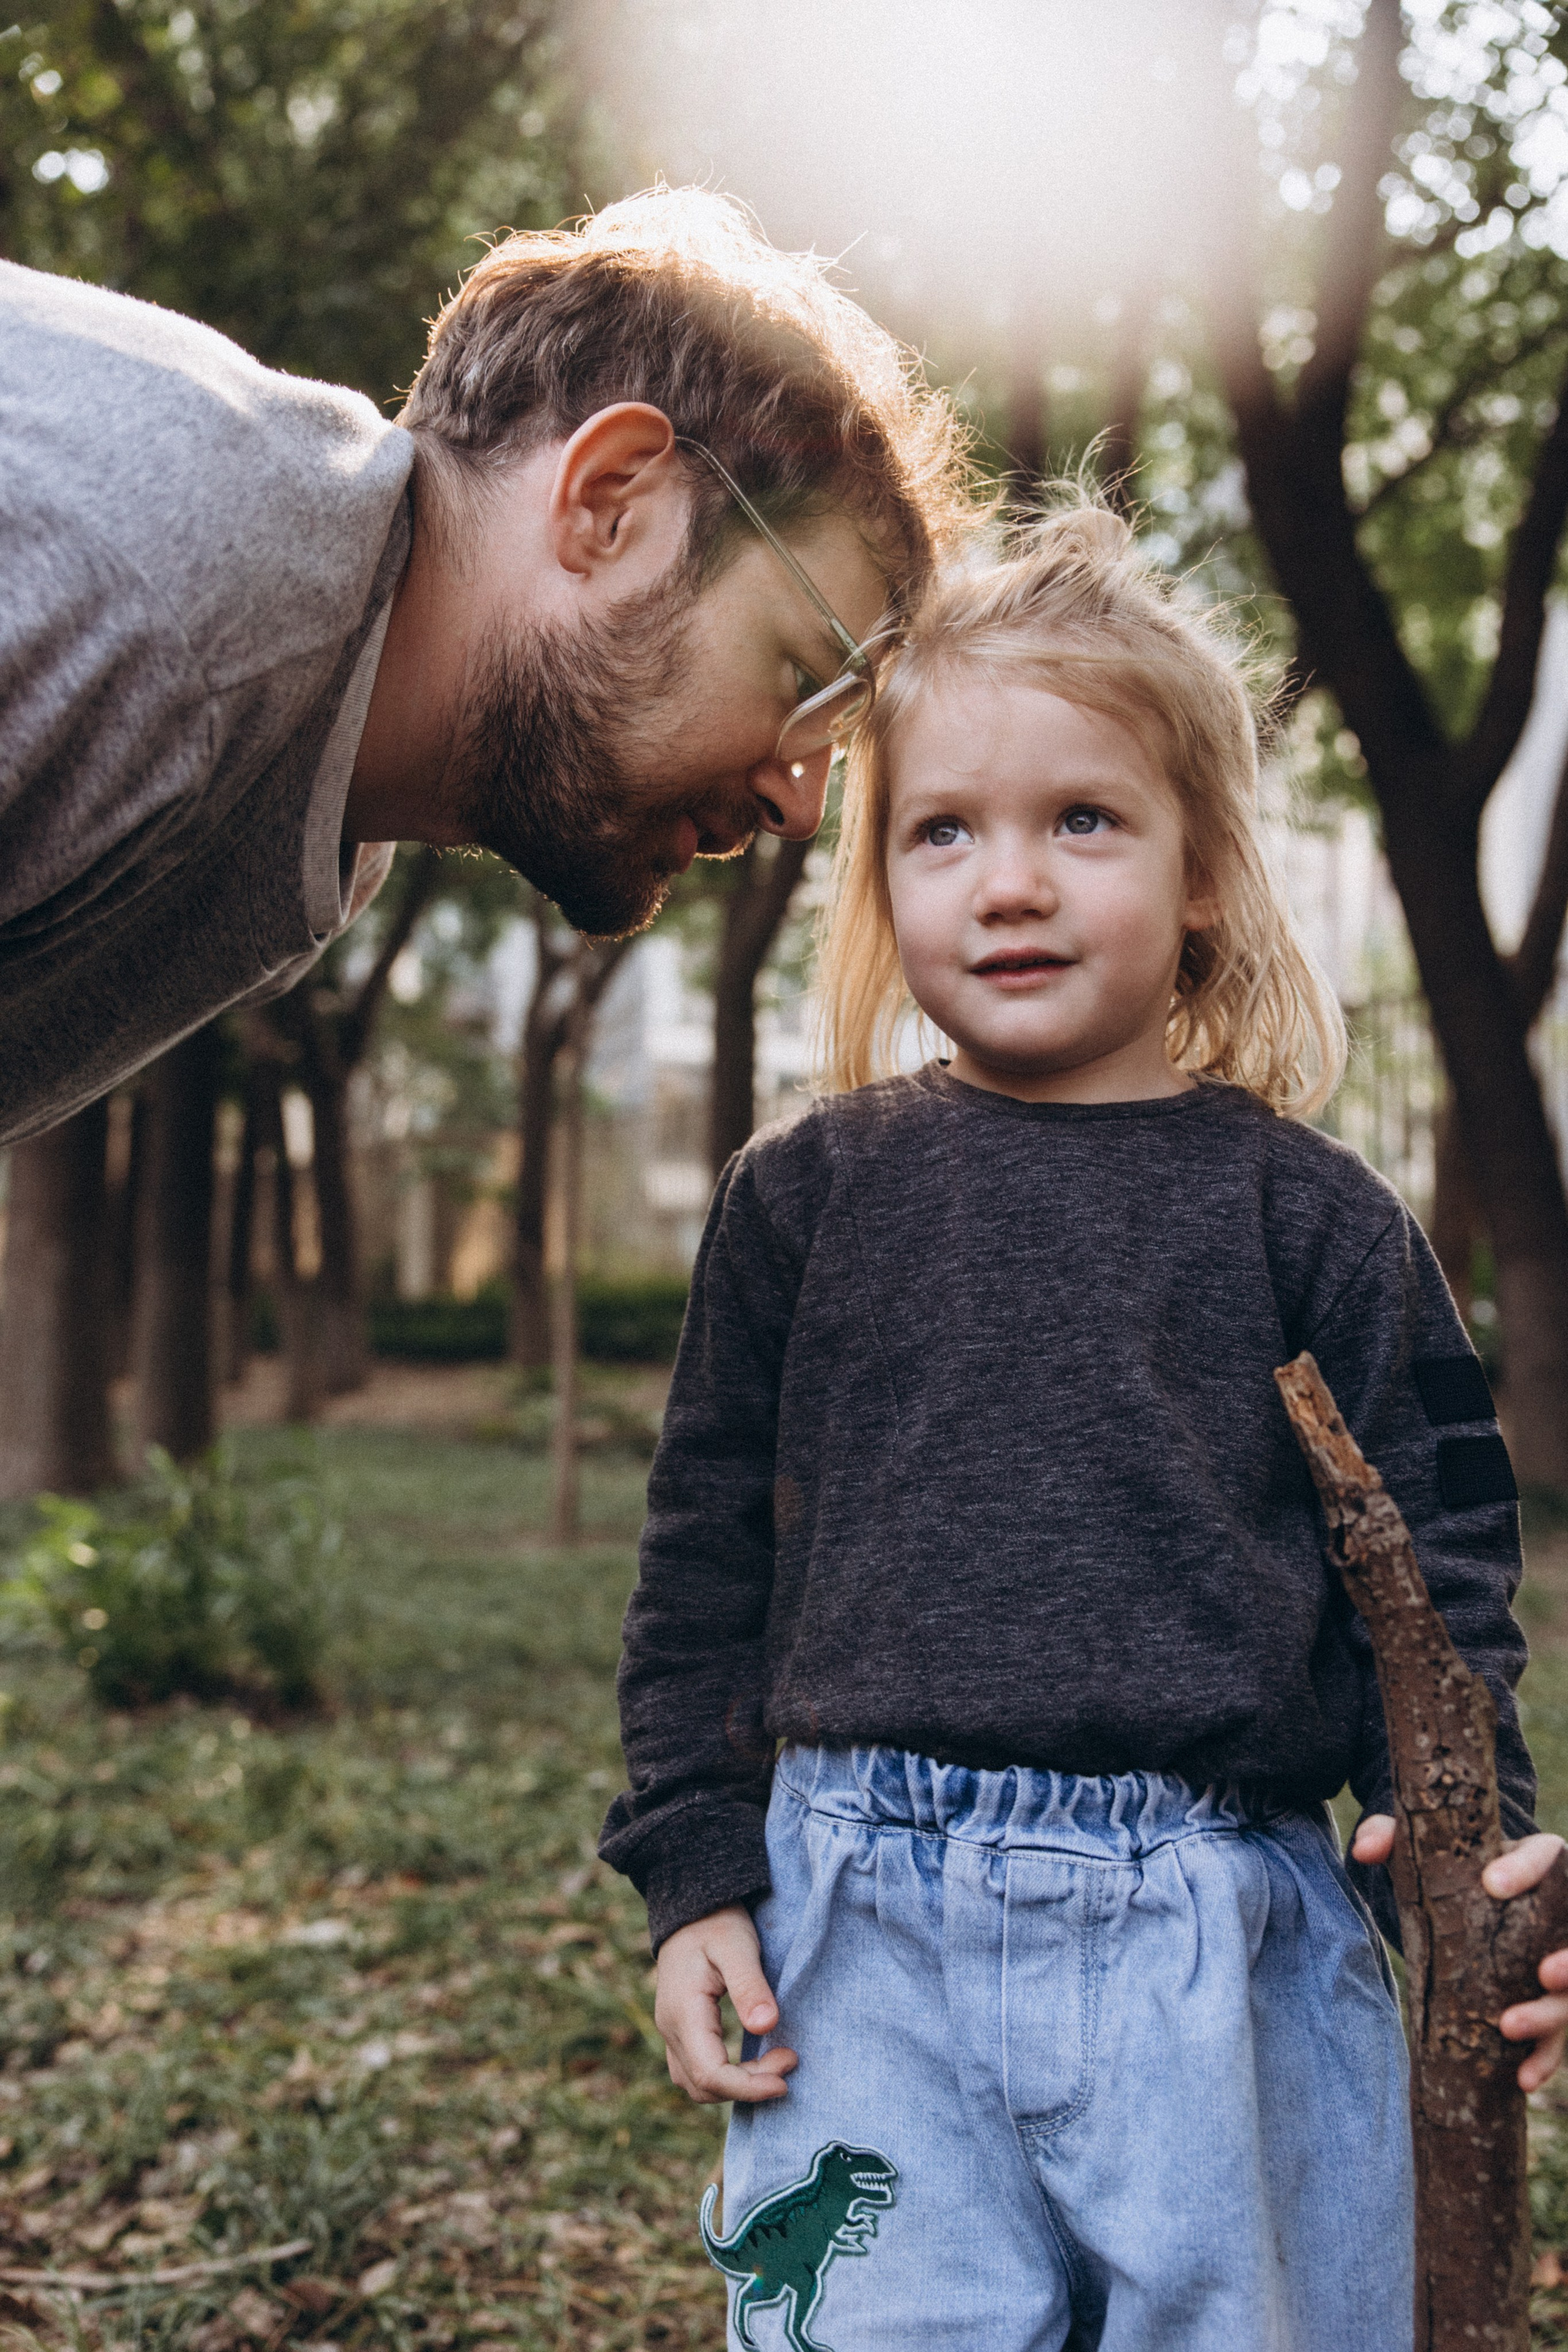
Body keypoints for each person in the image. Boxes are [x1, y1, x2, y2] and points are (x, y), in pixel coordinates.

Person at [600, 503, 1568, 2350]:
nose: (1010, 881)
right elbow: (701, 1562)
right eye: (942, 830)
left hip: (1223, 1934)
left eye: (1084, 821)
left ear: (1204, 868)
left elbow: (1442, 1578)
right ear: (875, 877)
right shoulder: (805, 1201)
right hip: (855, 1936)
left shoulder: (1317, 1222)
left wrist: (1479, 1870)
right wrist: (693, 1877)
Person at [0, 189, 973, 1144]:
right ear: (608, 500)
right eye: (806, 681)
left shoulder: (332, 812)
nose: (801, 811)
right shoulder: (173, 588)